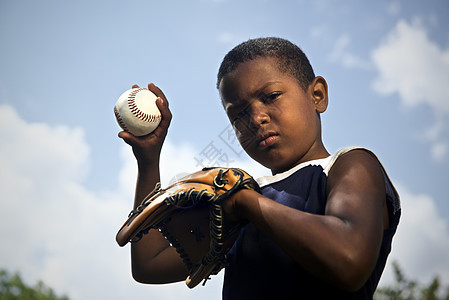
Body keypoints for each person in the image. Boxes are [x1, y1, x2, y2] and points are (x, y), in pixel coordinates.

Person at [118, 37, 401, 299]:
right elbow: (148, 264)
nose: (256, 118)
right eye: (238, 114)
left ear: (317, 95)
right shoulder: (235, 201)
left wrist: (244, 202)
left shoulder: (348, 164)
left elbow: (349, 260)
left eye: (270, 96)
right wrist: (148, 161)